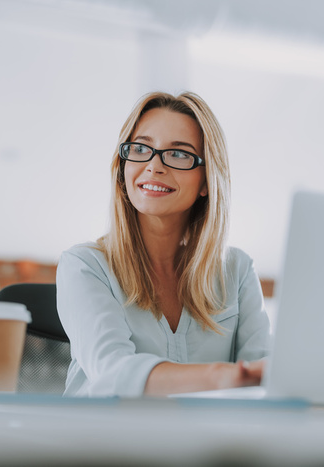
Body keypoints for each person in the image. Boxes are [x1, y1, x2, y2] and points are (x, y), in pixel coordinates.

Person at [57, 91, 270, 397]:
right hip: (102, 442)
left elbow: (264, 373)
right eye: (141, 148)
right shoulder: (85, 265)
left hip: (203, 443)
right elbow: (113, 373)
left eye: (179, 154)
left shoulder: (236, 271)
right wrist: (223, 375)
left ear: (207, 180)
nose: (154, 166)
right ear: (123, 166)